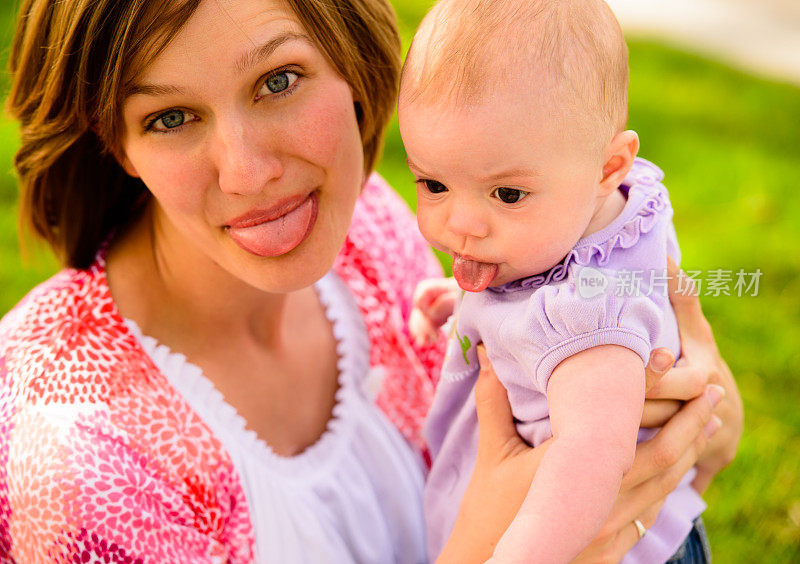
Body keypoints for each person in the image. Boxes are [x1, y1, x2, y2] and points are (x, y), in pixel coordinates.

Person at [0, 0, 741, 562]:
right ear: (115, 141)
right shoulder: (76, 464)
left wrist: (697, 421)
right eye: (169, 117)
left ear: (353, 66)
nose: (249, 172)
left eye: (278, 80)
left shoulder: (367, 233)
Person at [399, 1, 740, 563]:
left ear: (608, 167)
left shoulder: (584, 317)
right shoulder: (611, 206)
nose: (458, 225)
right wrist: (470, 303)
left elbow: (589, 459)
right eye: (433, 183)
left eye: (506, 194)